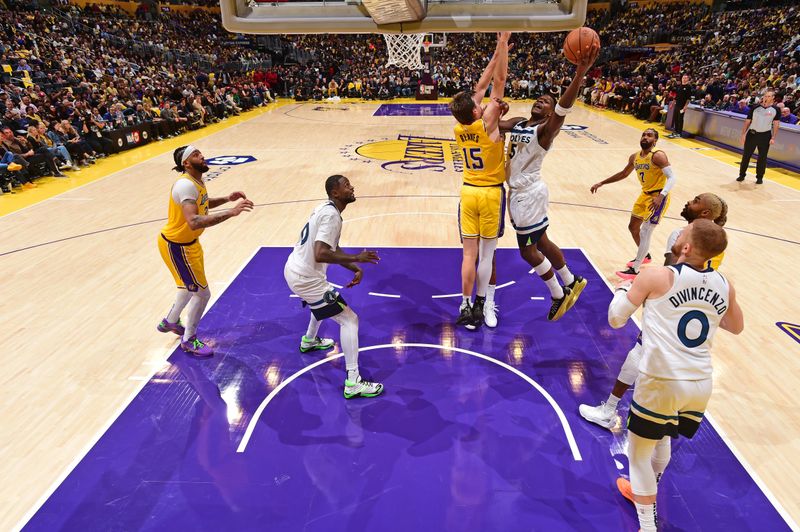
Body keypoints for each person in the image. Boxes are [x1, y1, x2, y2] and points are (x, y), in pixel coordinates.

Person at [606, 219, 743, 532]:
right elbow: (735, 326)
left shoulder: (656, 275)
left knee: (637, 454)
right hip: (698, 384)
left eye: (683, 231)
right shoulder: (724, 283)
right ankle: (645, 492)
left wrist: (623, 289)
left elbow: (616, 318)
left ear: (686, 247)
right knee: (662, 434)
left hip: (662, 380)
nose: (678, 232)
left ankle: (647, 525)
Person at [579, 193, 728, 429]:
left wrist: (641, 290)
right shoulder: (718, 241)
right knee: (652, 356)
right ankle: (665, 419)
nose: (689, 201)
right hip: (700, 305)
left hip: (674, 302)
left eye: (696, 200)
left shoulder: (682, 236)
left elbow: (672, 271)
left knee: (642, 353)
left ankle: (612, 410)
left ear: (705, 213)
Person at [497, 39, 599, 321]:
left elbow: (564, 108)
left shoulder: (545, 130)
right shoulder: (519, 122)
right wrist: (499, 108)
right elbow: (494, 124)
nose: (540, 102)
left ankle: (558, 294)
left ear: (550, 112)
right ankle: (571, 280)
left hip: (527, 193)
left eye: (546, 103)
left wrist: (579, 74)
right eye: (539, 99)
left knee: (528, 252)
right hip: (522, 193)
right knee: (542, 241)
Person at [283, 174, 384, 399]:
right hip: (306, 277)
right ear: (335, 193)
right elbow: (321, 253)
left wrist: (355, 267)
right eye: (347, 185)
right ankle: (353, 382)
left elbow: (332, 248)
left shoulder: (325, 209)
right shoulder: (331, 216)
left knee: (322, 301)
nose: (352, 187)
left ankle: (309, 340)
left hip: (298, 271)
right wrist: (358, 256)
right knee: (350, 319)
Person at [157, 145, 253, 357]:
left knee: (186, 287)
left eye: (200, 152)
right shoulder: (184, 185)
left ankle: (170, 322)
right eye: (196, 154)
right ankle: (189, 340)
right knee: (201, 294)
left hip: (187, 244)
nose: (202, 156)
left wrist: (227, 199)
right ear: (186, 163)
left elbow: (203, 204)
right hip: (177, 246)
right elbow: (194, 220)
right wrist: (232, 211)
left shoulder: (195, 181)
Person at [450, 31, 510, 330]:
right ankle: (482, 302)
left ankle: (464, 303)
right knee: (487, 255)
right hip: (490, 195)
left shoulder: (460, 128)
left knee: (468, 255)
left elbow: (481, 86)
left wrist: (498, 52)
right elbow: (496, 83)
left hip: (468, 192)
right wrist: (502, 47)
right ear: (476, 110)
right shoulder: (488, 123)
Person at [590, 128, 677, 279]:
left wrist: (661, 196)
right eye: (643, 134)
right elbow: (624, 174)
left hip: (658, 197)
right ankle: (645, 255)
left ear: (655, 141)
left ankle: (635, 269)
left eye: (649, 135)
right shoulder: (635, 157)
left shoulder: (658, 156)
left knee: (645, 231)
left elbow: (672, 177)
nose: (645, 137)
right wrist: (602, 182)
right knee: (633, 227)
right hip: (645, 195)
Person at [737, 90, 780, 184]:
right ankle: (742, 174)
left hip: (765, 136)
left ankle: (759, 177)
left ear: (773, 97)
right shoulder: (755, 107)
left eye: (769, 96)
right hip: (752, 134)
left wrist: (773, 137)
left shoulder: (776, 109)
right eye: (765, 96)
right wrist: (743, 134)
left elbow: (776, 124)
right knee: (746, 156)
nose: (766, 98)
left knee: (762, 158)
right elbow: (747, 121)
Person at [667, 74, 692, 139]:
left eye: (685, 78)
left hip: (682, 106)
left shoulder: (688, 87)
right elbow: (676, 96)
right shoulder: (679, 86)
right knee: (676, 118)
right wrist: (672, 104)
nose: (684, 79)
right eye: (683, 78)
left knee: (680, 119)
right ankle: (675, 131)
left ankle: (679, 133)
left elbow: (688, 98)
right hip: (677, 105)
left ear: (688, 79)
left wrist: (685, 106)